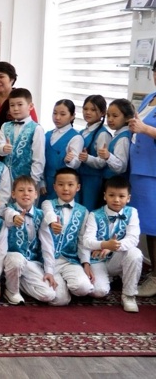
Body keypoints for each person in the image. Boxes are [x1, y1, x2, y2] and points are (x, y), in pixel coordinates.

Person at [82, 176, 143, 312]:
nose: (116, 200)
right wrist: (104, 244)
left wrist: (112, 247)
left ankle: (129, 295)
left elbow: (133, 239)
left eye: (121, 196)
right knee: (99, 292)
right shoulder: (94, 215)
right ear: (105, 196)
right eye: (112, 195)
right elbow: (87, 240)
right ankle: (107, 278)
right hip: (97, 259)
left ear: (128, 198)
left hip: (117, 259)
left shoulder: (132, 212)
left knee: (135, 253)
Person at [40, 167, 93, 306]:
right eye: (61, 184)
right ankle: (62, 287)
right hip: (49, 260)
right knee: (60, 300)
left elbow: (82, 240)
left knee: (84, 288)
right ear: (54, 187)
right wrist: (52, 222)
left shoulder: (83, 211)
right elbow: (48, 213)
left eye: (70, 184)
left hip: (70, 261)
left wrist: (86, 263)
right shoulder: (47, 203)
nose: (65, 188)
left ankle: (70, 283)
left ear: (78, 187)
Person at [2, 176, 57, 305]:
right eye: (21, 190)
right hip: (10, 260)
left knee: (49, 295)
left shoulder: (40, 215)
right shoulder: (8, 210)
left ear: (36, 194)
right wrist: (15, 217)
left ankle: (16, 282)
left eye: (30, 190)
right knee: (16, 260)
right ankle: (11, 291)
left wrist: (49, 271)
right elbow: (9, 215)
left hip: (30, 262)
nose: (26, 193)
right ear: (13, 194)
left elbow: (47, 243)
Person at [129, 64, 156, 297]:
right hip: (138, 168)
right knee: (144, 225)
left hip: (153, 171)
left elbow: (144, 128)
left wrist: (145, 129)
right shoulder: (150, 97)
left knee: (154, 226)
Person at [0, 88, 45, 186]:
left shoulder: (36, 129)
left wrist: (33, 182)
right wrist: (3, 148)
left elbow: (38, 159)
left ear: (30, 106)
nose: (15, 108)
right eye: (12, 105)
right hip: (5, 179)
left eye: (20, 104)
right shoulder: (5, 126)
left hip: (26, 179)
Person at [41, 100, 82, 201]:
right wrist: (41, 181)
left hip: (64, 185)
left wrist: (69, 160)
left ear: (72, 116)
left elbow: (76, 163)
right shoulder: (47, 134)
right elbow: (40, 159)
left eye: (62, 114)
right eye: (55, 113)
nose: (57, 117)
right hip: (46, 183)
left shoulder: (75, 137)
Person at [77, 95, 111, 211]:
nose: (88, 112)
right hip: (80, 177)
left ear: (102, 113)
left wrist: (87, 158)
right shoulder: (82, 132)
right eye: (85, 109)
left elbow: (102, 162)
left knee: (89, 209)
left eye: (93, 109)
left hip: (93, 180)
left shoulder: (102, 134)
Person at [100, 98, 134, 180]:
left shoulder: (123, 138)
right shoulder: (119, 135)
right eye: (108, 115)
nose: (110, 119)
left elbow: (121, 167)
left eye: (115, 116)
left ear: (127, 118)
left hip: (116, 182)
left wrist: (108, 156)